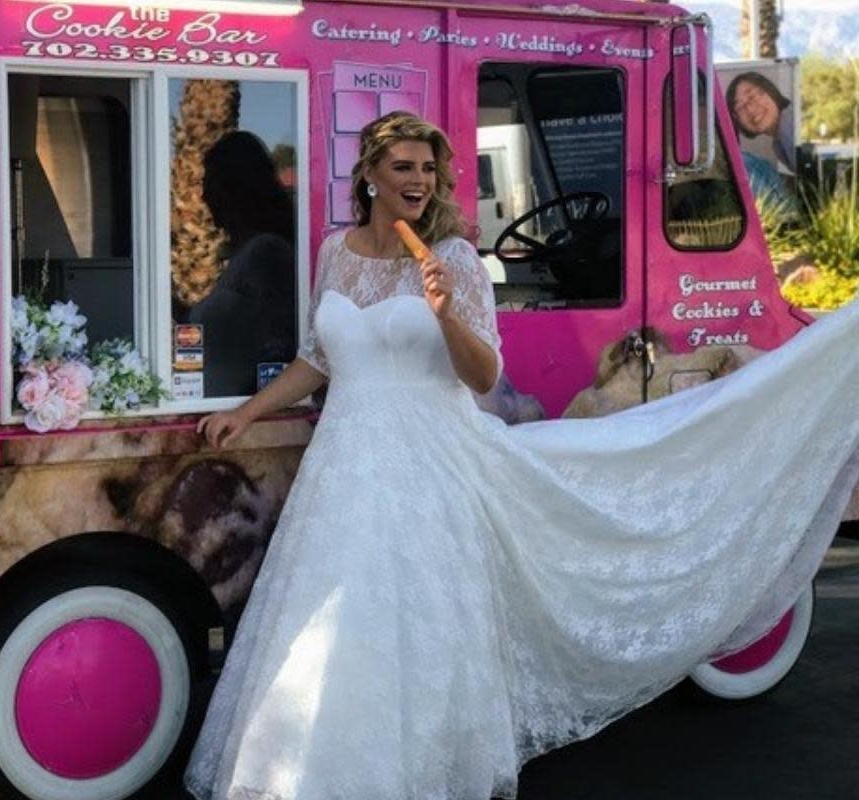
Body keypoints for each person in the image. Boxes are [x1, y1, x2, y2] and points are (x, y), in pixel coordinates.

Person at [184, 111, 859, 800]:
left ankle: (408, 769)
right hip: (346, 458)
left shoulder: (454, 261)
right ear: (369, 176)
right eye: (403, 168)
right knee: (329, 617)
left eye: (428, 169)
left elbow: (481, 377)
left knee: (410, 613)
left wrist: (446, 314)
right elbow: (318, 359)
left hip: (427, 458)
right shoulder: (335, 251)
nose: (419, 181)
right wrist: (245, 413)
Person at [188, 131, 297, 397]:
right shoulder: (243, 257)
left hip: (241, 411)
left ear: (231, 188)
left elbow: (274, 343)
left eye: (208, 183)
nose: (203, 196)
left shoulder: (266, 253)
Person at [727, 72, 796, 174]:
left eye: (752, 97)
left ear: (769, 91)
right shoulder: (778, 144)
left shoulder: (791, 122)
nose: (750, 109)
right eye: (740, 107)